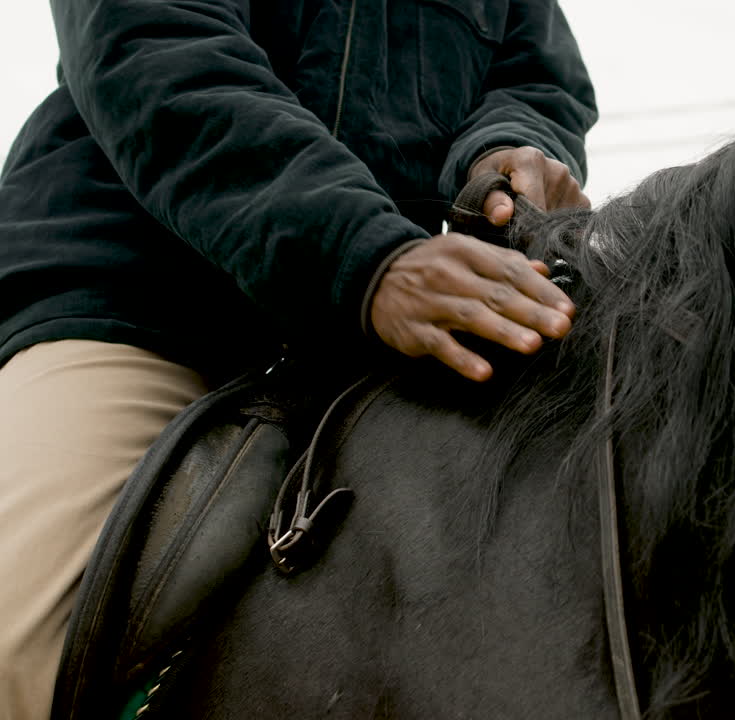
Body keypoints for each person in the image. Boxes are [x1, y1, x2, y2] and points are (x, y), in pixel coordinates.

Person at [0, 0, 597, 716]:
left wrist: (507, 149)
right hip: (132, 298)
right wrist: (364, 260)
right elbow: (155, 47)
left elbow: (536, 79)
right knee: (22, 643)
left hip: (387, 336)